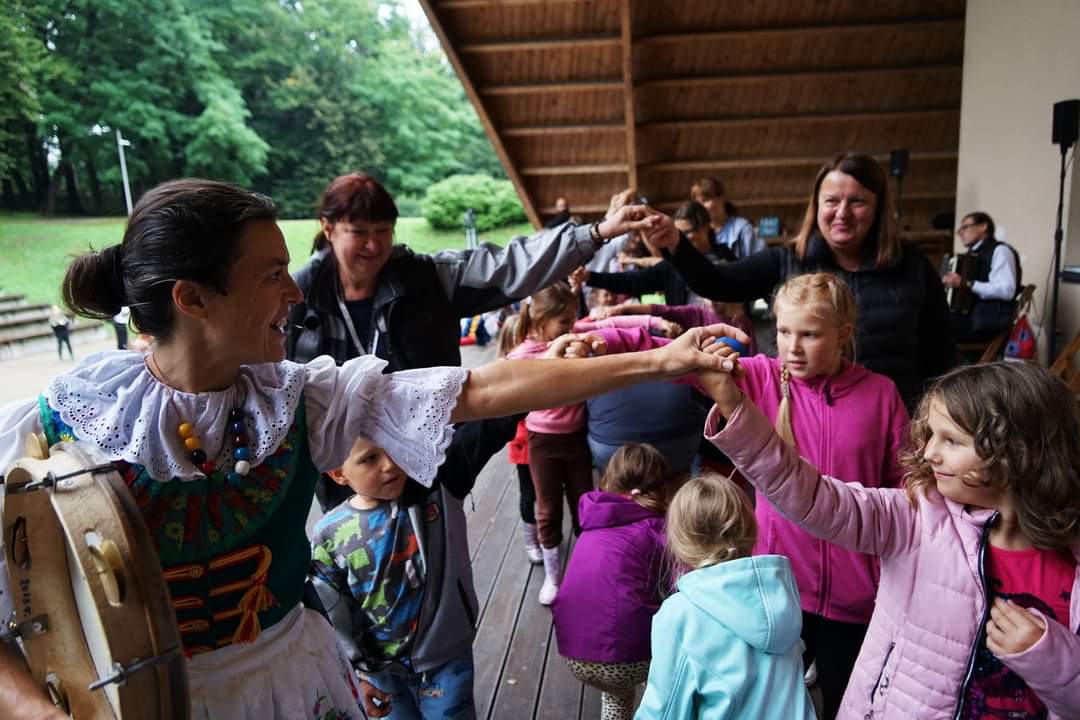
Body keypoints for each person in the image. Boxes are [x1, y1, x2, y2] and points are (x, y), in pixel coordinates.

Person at [0, 178, 743, 720]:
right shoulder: (59, 429)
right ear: (192, 298)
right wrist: (35, 709)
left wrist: (661, 359)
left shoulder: (297, 399)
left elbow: (483, 389)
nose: (294, 293)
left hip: (292, 688)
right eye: (271, 275)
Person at [697, 357, 1080, 718]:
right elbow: (814, 497)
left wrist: (1053, 661)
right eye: (931, 435)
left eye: (951, 440)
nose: (929, 453)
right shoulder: (915, 517)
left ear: (1018, 453)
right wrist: (733, 407)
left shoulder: (1071, 567)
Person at [286, 173, 630, 511]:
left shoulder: (427, 279)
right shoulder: (294, 300)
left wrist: (595, 234)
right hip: (346, 487)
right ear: (328, 228)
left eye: (383, 231)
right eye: (359, 232)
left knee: (438, 545)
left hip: (433, 473)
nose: (374, 246)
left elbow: (509, 264)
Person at [728, 273, 909, 719]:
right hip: (778, 587)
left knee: (845, 700)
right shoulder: (760, 377)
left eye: (809, 334)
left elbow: (904, 484)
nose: (792, 347)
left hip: (855, 596)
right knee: (769, 704)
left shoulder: (881, 393)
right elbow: (680, 367)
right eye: (783, 331)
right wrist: (609, 340)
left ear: (843, 335)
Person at [651, 152, 954, 409]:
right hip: (805, 419)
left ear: (878, 207)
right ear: (817, 205)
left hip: (893, 418)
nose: (842, 213)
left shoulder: (911, 265)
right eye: (832, 201)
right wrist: (675, 242)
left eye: (857, 201)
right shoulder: (788, 260)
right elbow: (717, 283)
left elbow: (940, 350)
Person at [310, 415, 520, 720]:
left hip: (446, 655)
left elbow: (490, 424)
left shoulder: (437, 489)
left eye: (394, 447)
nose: (390, 464)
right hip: (379, 672)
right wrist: (353, 675)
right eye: (370, 458)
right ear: (339, 473)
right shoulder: (328, 535)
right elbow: (328, 612)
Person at [635, 473, 816, 720]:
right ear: (749, 528)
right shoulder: (779, 591)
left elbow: (664, 711)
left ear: (680, 540)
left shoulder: (679, 615)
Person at [552, 444, 669, 720]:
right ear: (663, 487)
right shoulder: (655, 530)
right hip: (629, 658)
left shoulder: (594, 523)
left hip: (574, 651)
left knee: (617, 691)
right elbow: (678, 583)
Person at [506, 282, 592, 605]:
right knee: (548, 507)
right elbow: (509, 376)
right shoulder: (523, 354)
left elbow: (606, 328)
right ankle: (553, 577)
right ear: (541, 321)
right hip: (542, 441)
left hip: (577, 437)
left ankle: (586, 570)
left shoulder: (574, 340)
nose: (572, 327)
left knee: (584, 504)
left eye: (573, 319)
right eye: (564, 321)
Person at [580, 201, 734, 308]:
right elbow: (634, 280)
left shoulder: (728, 260)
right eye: (679, 233)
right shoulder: (674, 266)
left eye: (687, 233)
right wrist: (590, 277)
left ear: (706, 227)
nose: (681, 239)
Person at [498, 315, 542, 565]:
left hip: (542, 438)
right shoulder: (505, 371)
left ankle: (543, 535)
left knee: (544, 491)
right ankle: (530, 539)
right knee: (528, 493)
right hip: (523, 442)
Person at [943, 211, 1022, 342]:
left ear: (983, 227)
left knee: (934, 325)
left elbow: (1006, 290)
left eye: (965, 227)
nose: (960, 233)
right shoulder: (970, 255)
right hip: (971, 318)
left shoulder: (1000, 250)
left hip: (988, 321)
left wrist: (966, 283)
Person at [690, 176, 764, 260]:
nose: (701, 207)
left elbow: (759, 262)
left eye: (705, 200)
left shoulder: (743, 228)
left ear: (722, 198)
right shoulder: (695, 232)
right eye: (698, 203)